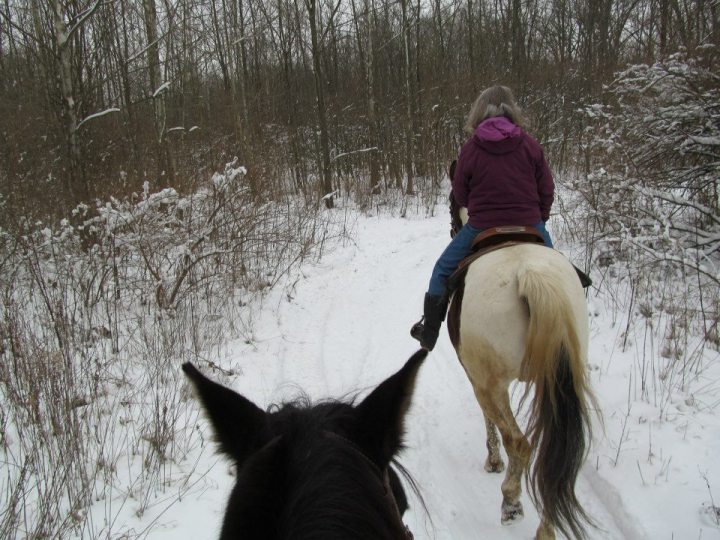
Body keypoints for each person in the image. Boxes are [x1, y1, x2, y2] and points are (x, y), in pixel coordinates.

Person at [411, 85, 555, 351]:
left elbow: (461, 194)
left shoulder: (471, 149)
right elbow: (546, 189)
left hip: (483, 226)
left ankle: (429, 334)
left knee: (441, 271)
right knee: (561, 272)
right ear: (512, 111)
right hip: (529, 223)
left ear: (479, 113)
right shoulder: (530, 145)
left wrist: (480, 206)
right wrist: (539, 219)